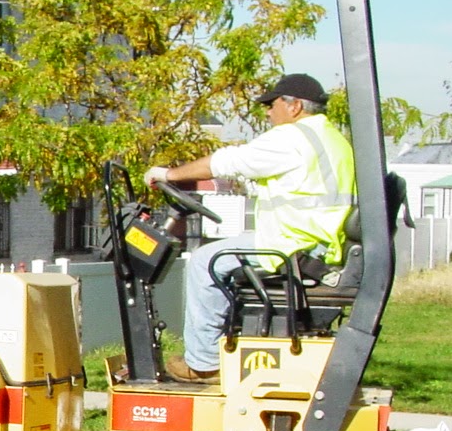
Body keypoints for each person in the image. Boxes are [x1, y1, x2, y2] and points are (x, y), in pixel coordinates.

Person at [144, 72, 354, 383]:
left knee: (205, 261)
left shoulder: (293, 138)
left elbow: (227, 162)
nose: (268, 112)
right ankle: (227, 343)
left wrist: (169, 174)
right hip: (316, 241)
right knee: (227, 251)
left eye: (272, 105)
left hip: (291, 245)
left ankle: (204, 363)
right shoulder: (332, 139)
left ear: (294, 106)